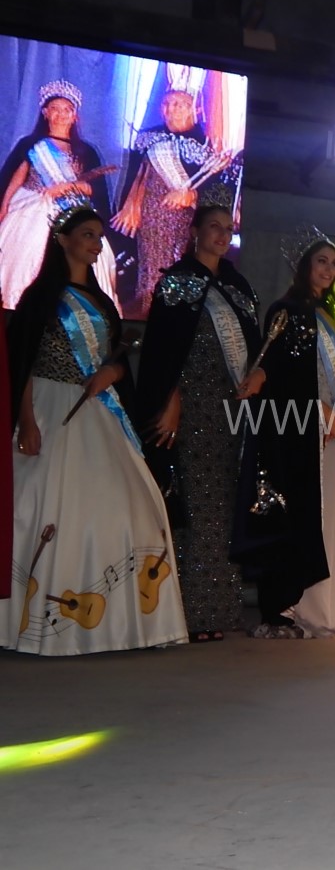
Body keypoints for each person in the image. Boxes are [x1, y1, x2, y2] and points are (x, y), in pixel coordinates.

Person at [1, 202, 187, 655]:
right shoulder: (38, 299)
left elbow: (117, 360)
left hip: (98, 411)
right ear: (62, 240)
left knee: (133, 507)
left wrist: (113, 373)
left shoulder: (104, 302)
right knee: (38, 509)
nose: (97, 243)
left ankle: (120, 624)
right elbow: (21, 364)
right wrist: (26, 421)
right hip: (47, 407)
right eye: (87, 234)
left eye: (100, 237)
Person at [232, 225, 335, 638]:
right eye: (321, 261)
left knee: (332, 514)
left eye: (334, 263)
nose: (328, 269)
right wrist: (321, 412)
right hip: (301, 430)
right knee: (302, 511)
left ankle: (328, 605)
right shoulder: (285, 310)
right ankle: (293, 605)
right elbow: (277, 369)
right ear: (305, 265)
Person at [135, 197, 263, 642]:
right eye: (214, 227)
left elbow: (256, 348)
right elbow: (161, 352)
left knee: (226, 504)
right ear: (195, 231)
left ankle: (219, 609)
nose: (222, 235)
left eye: (228, 228)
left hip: (232, 409)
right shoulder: (176, 281)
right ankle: (188, 612)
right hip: (191, 408)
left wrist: (260, 374)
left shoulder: (238, 287)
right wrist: (170, 398)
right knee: (194, 505)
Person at [112, 81, 237, 316]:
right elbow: (134, 179)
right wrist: (129, 209)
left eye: (179, 104)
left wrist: (192, 194)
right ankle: (151, 314)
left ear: (194, 109)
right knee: (153, 270)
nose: (172, 109)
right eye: (167, 104)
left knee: (186, 269)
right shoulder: (150, 138)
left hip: (192, 220)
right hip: (153, 216)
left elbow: (219, 189)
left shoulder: (207, 142)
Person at [0, 79, 119, 311]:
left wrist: (80, 187)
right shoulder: (31, 144)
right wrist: (4, 207)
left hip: (73, 210)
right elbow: (16, 177)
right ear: (46, 113)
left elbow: (94, 189)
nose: (61, 114)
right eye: (55, 109)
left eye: (67, 110)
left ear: (75, 116)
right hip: (34, 208)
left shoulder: (86, 150)